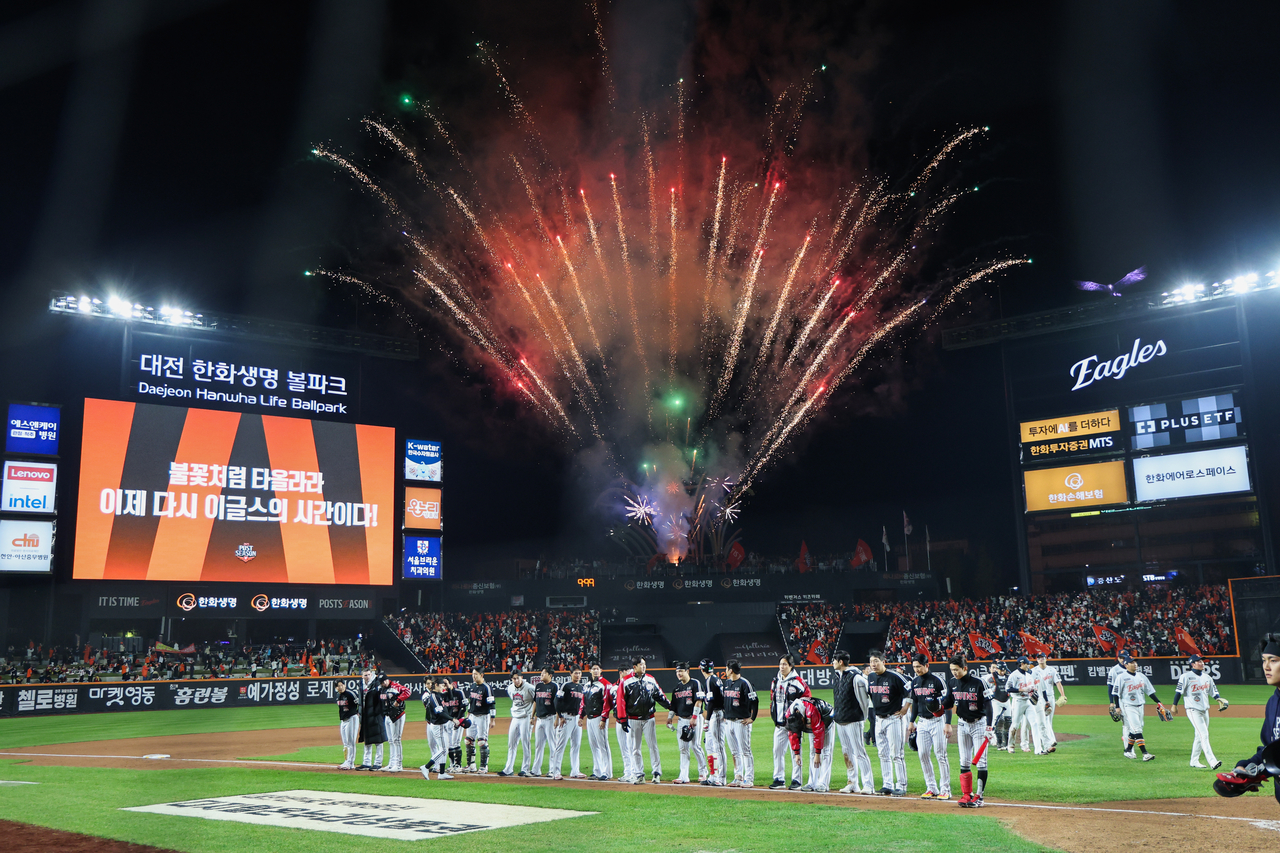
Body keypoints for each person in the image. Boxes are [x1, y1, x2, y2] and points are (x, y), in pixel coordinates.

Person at [1213, 633, 1280, 804]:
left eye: (1273, 660)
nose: (1266, 667)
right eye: (1264, 660)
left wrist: (1259, 771)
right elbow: (1270, 748)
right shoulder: (1273, 702)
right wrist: (1247, 766)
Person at [944, 656, 994, 808]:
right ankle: (967, 794)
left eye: (957, 670)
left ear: (965, 668)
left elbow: (989, 705)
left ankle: (979, 796)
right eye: (952, 670)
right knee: (964, 760)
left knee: (981, 761)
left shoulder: (979, 683)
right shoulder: (952, 683)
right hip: (962, 724)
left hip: (979, 724)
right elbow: (948, 703)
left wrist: (989, 727)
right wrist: (937, 704)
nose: (954, 673)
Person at [617, 657, 671, 783]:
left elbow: (659, 695)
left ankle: (656, 773)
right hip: (633, 719)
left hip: (649, 718)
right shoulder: (626, 681)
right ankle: (639, 774)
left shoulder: (650, 679)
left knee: (653, 746)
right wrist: (622, 719)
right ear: (634, 667)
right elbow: (620, 701)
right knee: (635, 748)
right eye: (641, 665)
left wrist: (671, 707)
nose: (644, 666)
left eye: (644, 664)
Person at [1171, 654, 1228, 769]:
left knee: (1199, 736)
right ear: (1192, 664)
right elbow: (1178, 692)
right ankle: (1212, 762)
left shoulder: (1207, 677)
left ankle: (1194, 760)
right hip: (1193, 710)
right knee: (1204, 734)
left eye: (1202, 661)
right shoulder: (1186, 676)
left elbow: (1214, 692)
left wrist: (1218, 699)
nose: (1202, 663)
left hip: (1205, 710)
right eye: (1199, 661)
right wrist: (1174, 705)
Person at [831, 649, 875, 795]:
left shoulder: (856, 677)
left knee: (860, 751)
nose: (832, 663)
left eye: (834, 660)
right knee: (847, 752)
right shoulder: (836, 676)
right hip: (840, 719)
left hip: (854, 720)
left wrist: (862, 716)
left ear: (841, 662)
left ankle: (868, 784)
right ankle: (852, 782)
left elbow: (866, 698)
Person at [867, 650, 911, 796]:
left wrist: (905, 708)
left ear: (883, 662)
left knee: (896, 754)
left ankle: (901, 785)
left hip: (894, 719)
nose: (873, 664)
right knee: (883, 754)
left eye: (876, 661)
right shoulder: (871, 677)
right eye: (871, 661)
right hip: (879, 719)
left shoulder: (895, 676)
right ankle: (887, 784)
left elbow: (911, 690)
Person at [907, 653, 951, 799]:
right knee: (923, 754)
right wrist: (912, 721)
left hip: (937, 721)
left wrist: (947, 723)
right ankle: (931, 787)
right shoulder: (915, 682)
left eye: (919, 666)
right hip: (922, 723)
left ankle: (945, 789)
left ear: (927, 665)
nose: (916, 670)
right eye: (914, 667)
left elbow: (948, 703)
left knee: (941, 755)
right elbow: (915, 703)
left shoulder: (938, 681)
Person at [767, 655, 811, 790]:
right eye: (780, 664)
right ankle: (779, 779)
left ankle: (796, 780)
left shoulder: (798, 681)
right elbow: (772, 699)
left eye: (785, 664)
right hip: (780, 723)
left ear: (791, 666)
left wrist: (799, 716)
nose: (782, 667)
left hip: (793, 724)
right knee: (777, 751)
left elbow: (807, 699)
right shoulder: (775, 681)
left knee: (795, 752)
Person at [1110, 657, 1166, 761]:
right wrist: (1117, 707)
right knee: (1137, 729)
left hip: (1140, 706)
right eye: (1131, 663)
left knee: (1135, 729)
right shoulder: (1121, 677)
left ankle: (1128, 750)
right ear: (1126, 665)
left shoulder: (1141, 676)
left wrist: (1158, 702)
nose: (1135, 664)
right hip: (1128, 706)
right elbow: (1115, 693)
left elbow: (1149, 691)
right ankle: (1145, 753)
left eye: (1135, 662)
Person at [665, 661, 706, 784]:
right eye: (677, 671)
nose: (679, 673)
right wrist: (669, 717)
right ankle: (683, 776)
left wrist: (694, 717)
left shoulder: (695, 683)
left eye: (681, 671)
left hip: (695, 718)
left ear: (687, 671)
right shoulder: (677, 688)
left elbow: (699, 701)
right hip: (682, 720)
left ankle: (703, 772)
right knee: (683, 748)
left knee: (696, 746)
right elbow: (673, 706)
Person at [720, 659, 758, 787]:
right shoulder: (727, 683)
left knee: (745, 751)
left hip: (741, 722)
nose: (725, 670)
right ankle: (738, 777)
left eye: (726, 668)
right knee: (734, 751)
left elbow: (754, 700)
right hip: (729, 722)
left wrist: (752, 718)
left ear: (731, 670)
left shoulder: (744, 683)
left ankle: (749, 779)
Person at [786, 695, 836, 792]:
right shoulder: (790, 715)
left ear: (803, 719)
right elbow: (793, 734)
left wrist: (818, 753)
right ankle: (812, 782)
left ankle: (823, 783)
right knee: (812, 752)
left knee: (826, 752)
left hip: (826, 719)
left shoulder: (811, 711)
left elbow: (819, 731)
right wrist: (797, 754)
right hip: (812, 722)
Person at [1005, 657, 1047, 755]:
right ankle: (1010, 746)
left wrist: (1033, 690)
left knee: (1035, 723)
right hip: (1018, 701)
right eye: (1027, 664)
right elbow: (1008, 688)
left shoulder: (1029, 674)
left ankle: (1038, 749)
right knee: (1015, 724)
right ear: (1022, 664)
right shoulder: (1014, 675)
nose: (1029, 666)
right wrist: (1023, 690)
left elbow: (1031, 687)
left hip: (1028, 701)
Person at [551, 667, 587, 780]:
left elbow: (583, 704)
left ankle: (575, 771)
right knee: (560, 745)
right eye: (575, 673)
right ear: (571, 674)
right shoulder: (565, 686)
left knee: (576, 745)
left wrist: (581, 717)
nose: (578, 675)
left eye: (579, 673)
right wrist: (560, 716)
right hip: (566, 717)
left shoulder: (581, 688)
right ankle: (556, 771)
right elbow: (557, 701)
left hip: (577, 718)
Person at [498, 670, 536, 777]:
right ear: (511, 679)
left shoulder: (529, 687)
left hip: (526, 717)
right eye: (514, 678)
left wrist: (532, 716)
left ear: (521, 677)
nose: (516, 680)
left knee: (525, 743)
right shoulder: (510, 688)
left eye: (518, 678)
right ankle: (508, 768)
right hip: (515, 717)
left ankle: (525, 768)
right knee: (511, 743)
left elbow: (536, 700)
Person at [582, 661, 614, 781]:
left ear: (601, 670)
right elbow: (583, 702)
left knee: (603, 745)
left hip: (599, 717)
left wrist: (604, 718)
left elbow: (607, 703)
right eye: (593, 668)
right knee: (594, 745)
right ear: (590, 671)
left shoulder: (605, 684)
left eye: (597, 668)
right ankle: (597, 771)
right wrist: (581, 716)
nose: (595, 670)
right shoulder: (587, 685)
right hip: (589, 718)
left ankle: (607, 772)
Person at [700, 658, 727, 787]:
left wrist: (706, 720)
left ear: (701, 669)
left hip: (716, 714)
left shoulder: (710, 680)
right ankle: (713, 775)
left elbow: (710, 702)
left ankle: (721, 778)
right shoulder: (716, 679)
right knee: (709, 746)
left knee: (718, 747)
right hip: (716, 714)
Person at [420, 677, 454, 780]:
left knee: (444, 748)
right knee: (443, 749)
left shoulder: (439, 695)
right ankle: (426, 767)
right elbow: (440, 712)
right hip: (437, 725)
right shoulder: (433, 696)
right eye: (442, 685)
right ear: (436, 685)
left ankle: (442, 773)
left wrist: (449, 687)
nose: (443, 687)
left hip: (440, 724)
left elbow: (450, 698)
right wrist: (452, 719)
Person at [464, 667, 497, 773]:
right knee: (468, 741)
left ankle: (483, 766)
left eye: (476, 674)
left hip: (483, 716)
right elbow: (471, 701)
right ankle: (471, 765)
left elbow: (492, 704)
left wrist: (492, 719)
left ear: (482, 675)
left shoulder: (486, 688)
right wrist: (468, 714)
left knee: (482, 742)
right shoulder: (473, 686)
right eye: (473, 674)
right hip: (472, 716)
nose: (473, 676)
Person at [1033, 652, 1066, 751]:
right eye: (1039, 658)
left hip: (1050, 697)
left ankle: (1049, 740)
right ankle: (1051, 740)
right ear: (1037, 660)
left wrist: (1062, 695)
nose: (1041, 659)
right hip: (1040, 698)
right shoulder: (1033, 671)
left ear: (1046, 658)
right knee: (1044, 719)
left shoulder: (1052, 670)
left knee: (1049, 720)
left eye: (1042, 657)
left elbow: (1058, 683)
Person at [356, 669, 388, 770]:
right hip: (365, 715)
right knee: (367, 740)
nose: (367, 677)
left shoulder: (377, 684)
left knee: (378, 741)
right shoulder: (361, 685)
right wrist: (360, 712)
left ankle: (378, 763)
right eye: (365, 675)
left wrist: (378, 712)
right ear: (362, 676)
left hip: (376, 714)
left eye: (369, 674)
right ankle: (366, 762)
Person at [530, 667, 559, 777]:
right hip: (539, 719)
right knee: (538, 745)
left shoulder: (554, 686)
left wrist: (557, 718)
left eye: (543, 673)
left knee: (553, 745)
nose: (541, 675)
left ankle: (553, 770)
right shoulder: (538, 686)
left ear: (550, 675)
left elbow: (557, 703)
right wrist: (532, 716)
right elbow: (535, 702)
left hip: (550, 718)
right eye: (541, 673)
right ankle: (536, 770)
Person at [380, 673, 412, 772]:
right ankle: (391, 763)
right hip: (388, 716)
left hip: (397, 715)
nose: (382, 683)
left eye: (383, 681)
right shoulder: (382, 689)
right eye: (381, 682)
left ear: (387, 680)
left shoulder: (395, 686)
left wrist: (398, 700)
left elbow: (407, 691)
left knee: (396, 740)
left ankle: (398, 764)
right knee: (390, 740)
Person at [1106, 650, 1132, 749]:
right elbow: (1110, 687)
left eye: (1124, 657)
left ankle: (1127, 737)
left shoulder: (1132, 668)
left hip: (1132, 699)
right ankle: (1127, 743)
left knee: (1137, 723)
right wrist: (1112, 702)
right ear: (1118, 658)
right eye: (1121, 657)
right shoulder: (1114, 670)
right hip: (1120, 699)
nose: (1122, 659)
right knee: (1126, 723)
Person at [982, 661, 1010, 750]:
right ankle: (999, 743)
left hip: (1007, 700)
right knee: (998, 721)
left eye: (1003, 670)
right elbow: (987, 688)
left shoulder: (1008, 677)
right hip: (996, 701)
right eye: (1000, 670)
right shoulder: (991, 678)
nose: (1002, 672)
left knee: (1008, 721)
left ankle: (1007, 743)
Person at [335, 680, 361, 769]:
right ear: (336, 688)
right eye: (338, 686)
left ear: (344, 685)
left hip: (352, 719)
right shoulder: (338, 695)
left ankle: (350, 763)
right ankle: (346, 761)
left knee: (351, 742)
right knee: (345, 743)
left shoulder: (350, 694)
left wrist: (358, 713)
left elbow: (360, 704)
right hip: (343, 720)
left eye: (342, 685)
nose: (340, 687)